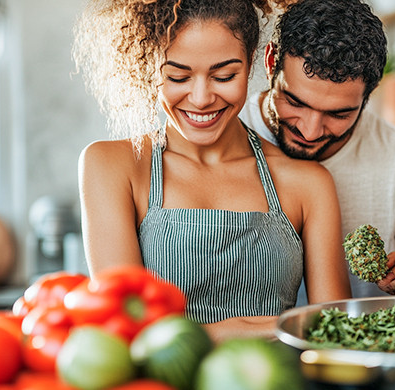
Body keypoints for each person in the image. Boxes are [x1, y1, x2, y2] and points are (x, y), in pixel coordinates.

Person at [73, 0, 351, 342]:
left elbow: (337, 332)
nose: (201, 98)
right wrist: (263, 327)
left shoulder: (308, 183)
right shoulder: (113, 166)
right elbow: (126, 333)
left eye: (224, 76)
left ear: (252, 62)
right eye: (177, 76)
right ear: (150, 68)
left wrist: (200, 334)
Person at [239, 0, 395, 299]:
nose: (310, 130)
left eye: (338, 114)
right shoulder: (228, 133)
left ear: (370, 95)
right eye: (295, 102)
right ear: (270, 62)